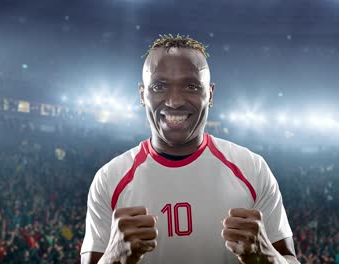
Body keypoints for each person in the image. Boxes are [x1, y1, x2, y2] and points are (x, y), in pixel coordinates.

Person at [80, 34, 298, 264]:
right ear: (143, 94)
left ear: (210, 94)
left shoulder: (252, 168)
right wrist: (114, 258)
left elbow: (289, 259)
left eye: (191, 86)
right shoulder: (109, 179)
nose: (174, 101)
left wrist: (267, 257)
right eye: (159, 86)